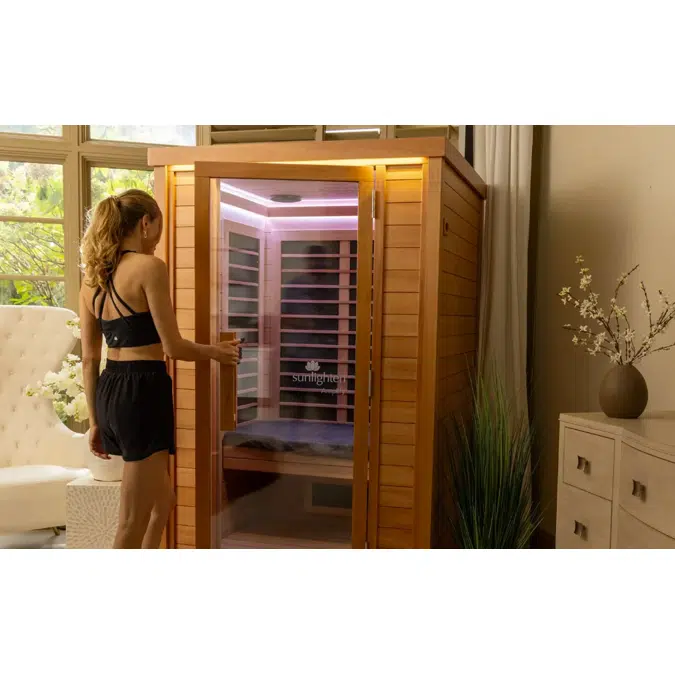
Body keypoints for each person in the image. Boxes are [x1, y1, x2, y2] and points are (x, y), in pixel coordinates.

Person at [79, 189, 240, 549]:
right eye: (158, 229)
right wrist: (217, 352)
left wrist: (95, 421)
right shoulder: (149, 267)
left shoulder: (91, 280)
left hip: (109, 391)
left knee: (163, 501)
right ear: (145, 223)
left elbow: (89, 358)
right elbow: (174, 347)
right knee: (130, 523)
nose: (157, 240)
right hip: (142, 392)